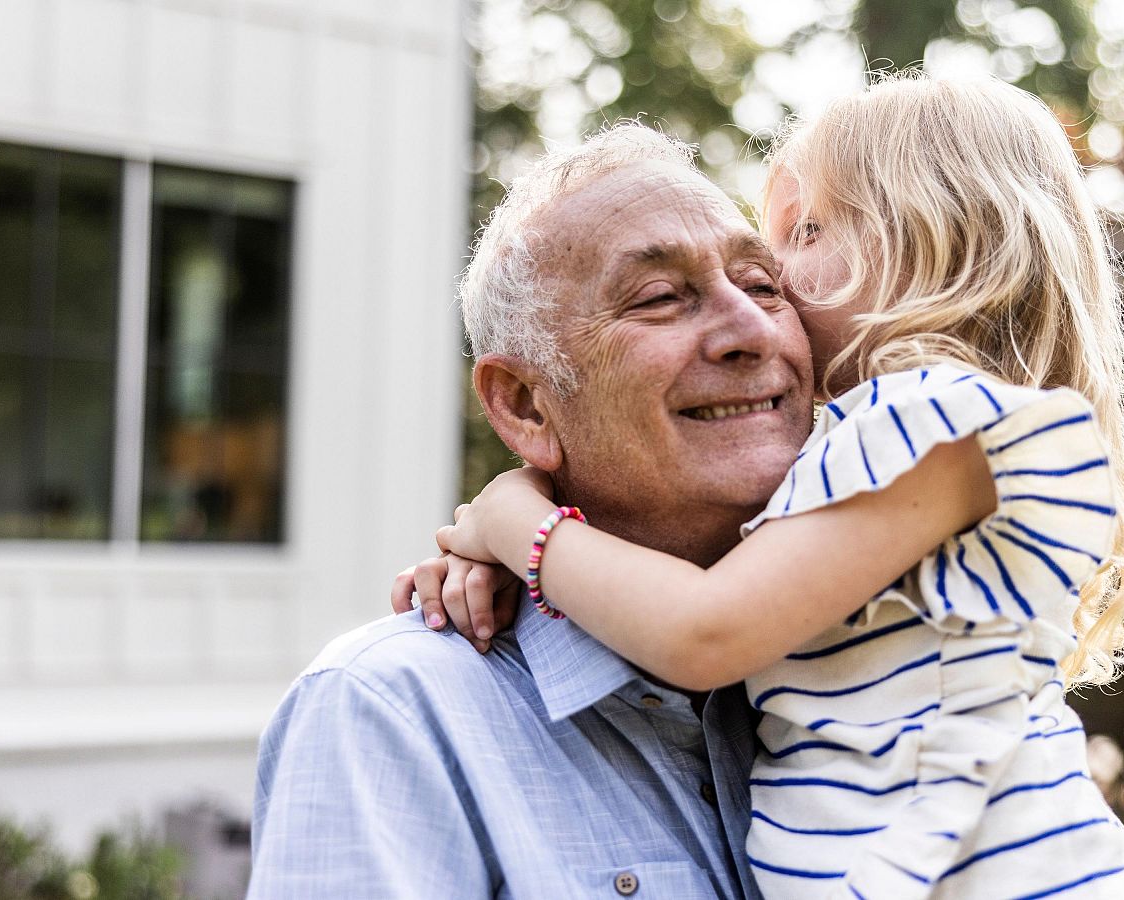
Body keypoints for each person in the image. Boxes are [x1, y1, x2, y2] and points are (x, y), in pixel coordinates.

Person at [420, 73, 1124, 899]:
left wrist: (516, 524)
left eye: (808, 230)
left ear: (938, 246)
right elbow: (686, 550)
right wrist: (511, 548)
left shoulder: (930, 423)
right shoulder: (876, 440)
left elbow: (705, 629)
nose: (774, 275)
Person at [247, 124, 815, 898]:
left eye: (761, 284)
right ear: (523, 407)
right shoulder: (392, 716)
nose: (751, 330)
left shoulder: (889, 649)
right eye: (658, 298)